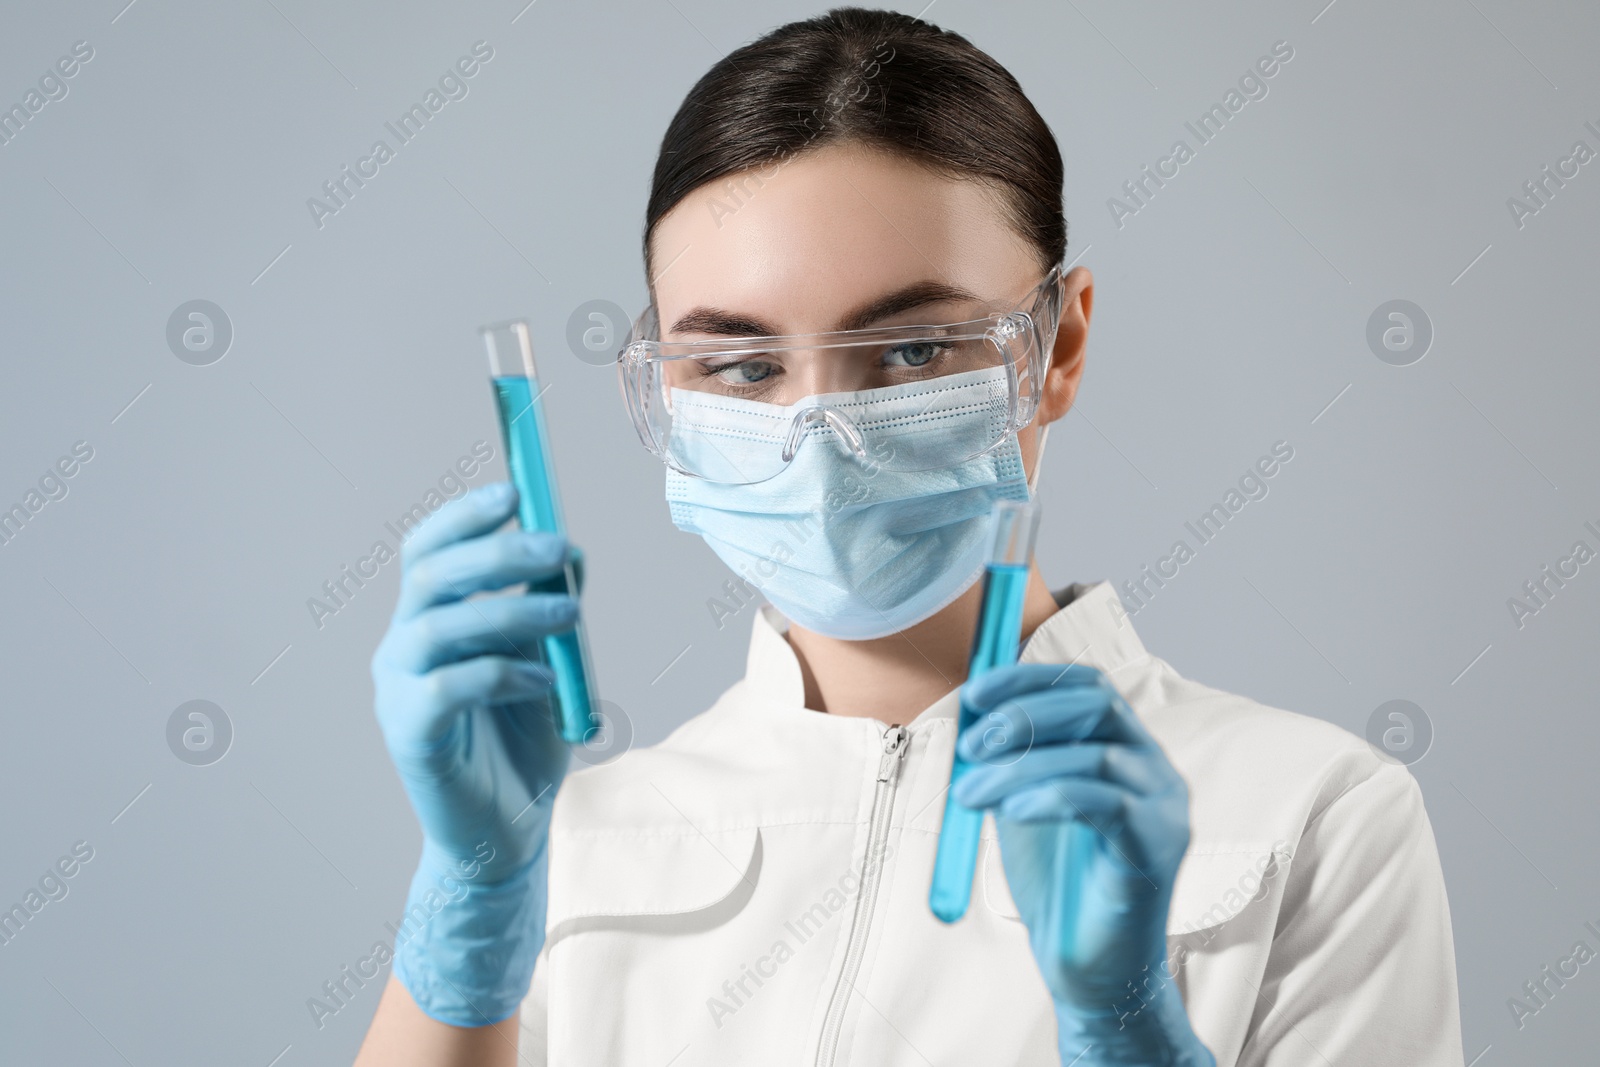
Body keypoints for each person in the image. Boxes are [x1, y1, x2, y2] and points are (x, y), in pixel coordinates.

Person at [356, 9, 1463, 1065]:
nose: (819, 440)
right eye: (743, 366)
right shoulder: (575, 843)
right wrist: (476, 888)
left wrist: (1128, 1024)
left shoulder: (1305, 813)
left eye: (914, 351)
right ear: (661, 385)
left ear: (1060, 345)